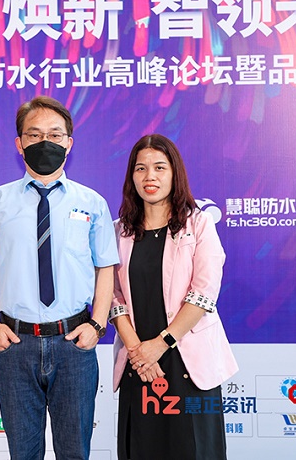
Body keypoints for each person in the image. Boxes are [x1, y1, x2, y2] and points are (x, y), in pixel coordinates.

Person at [0, 96, 119, 459]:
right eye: (34, 135)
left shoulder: (92, 203)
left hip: (74, 343)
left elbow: (106, 268)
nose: (44, 142)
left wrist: (97, 326)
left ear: (69, 142)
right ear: (19, 143)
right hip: (15, 345)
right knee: (23, 453)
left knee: (74, 452)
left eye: (54, 134)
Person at [110, 134, 238, 460]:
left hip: (189, 363)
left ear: (174, 173)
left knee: (196, 449)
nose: (149, 176)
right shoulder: (119, 231)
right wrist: (138, 350)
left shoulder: (199, 224)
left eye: (159, 167)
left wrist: (162, 343)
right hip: (140, 364)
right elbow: (112, 296)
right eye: (140, 168)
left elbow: (204, 293)